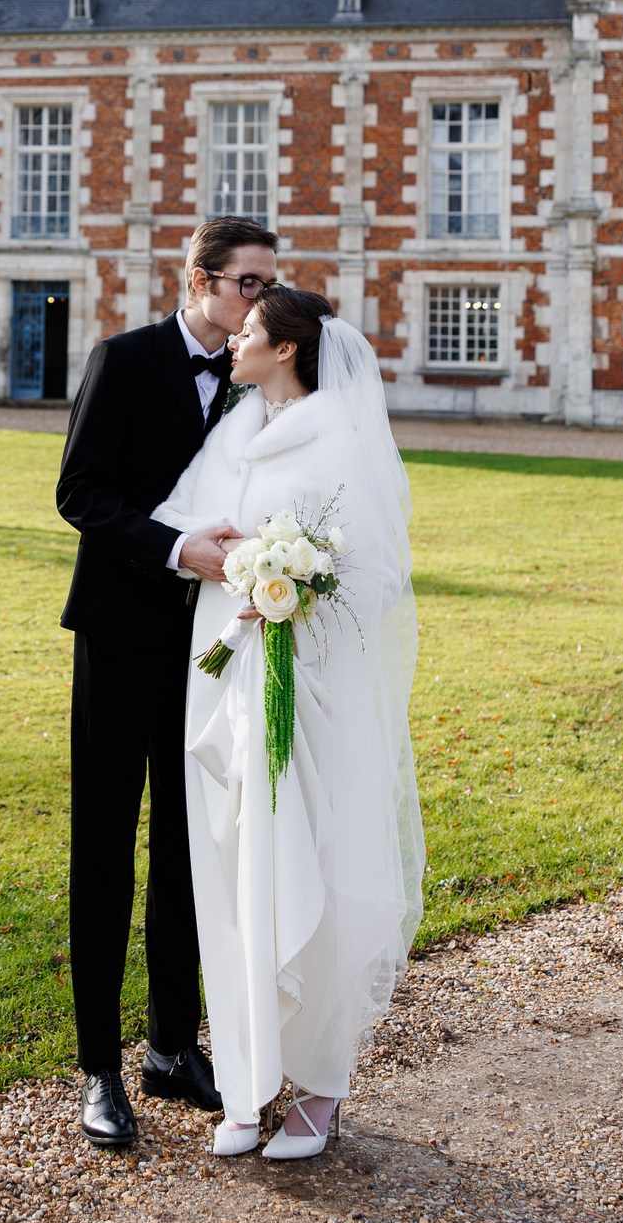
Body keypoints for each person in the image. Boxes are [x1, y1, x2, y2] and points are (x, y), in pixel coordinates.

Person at [152, 286, 424, 1160]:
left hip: (306, 684)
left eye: (252, 336)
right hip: (224, 668)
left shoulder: (341, 438)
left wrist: (297, 585)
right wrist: (223, 548)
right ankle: (245, 1079)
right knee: (233, 865)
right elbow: (178, 516)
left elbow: (376, 575)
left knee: (311, 861)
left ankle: (319, 1088)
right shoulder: (233, 428)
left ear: (288, 352)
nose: (235, 342)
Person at [55, 216, 278, 1148]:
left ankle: (170, 1047)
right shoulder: (121, 358)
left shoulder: (254, 376)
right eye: (246, 284)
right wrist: (176, 548)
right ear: (198, 281)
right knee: (105, 847)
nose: (259, 301)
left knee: (190, 849)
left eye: (268, 286)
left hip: (207, 648)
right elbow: (80, 494)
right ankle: (100, 1068)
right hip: (118, 634)